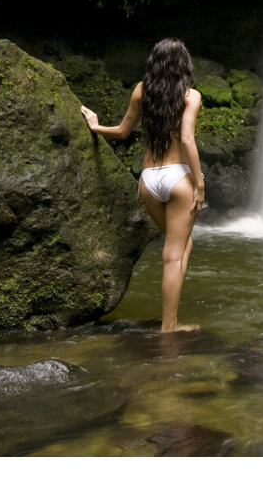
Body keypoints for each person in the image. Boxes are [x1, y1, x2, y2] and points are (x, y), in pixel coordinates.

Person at [80, 38, 205, 332]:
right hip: (178, 180)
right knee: (173, 255)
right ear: (183, 65)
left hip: (148, 180)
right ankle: (169, 327)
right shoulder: (191, 96)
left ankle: (170, 322)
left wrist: (96, 126)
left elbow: (123, 132)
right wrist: (198, 183)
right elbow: (187, 140)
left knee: (184, 243)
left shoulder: (141, 90)